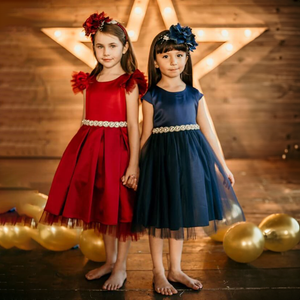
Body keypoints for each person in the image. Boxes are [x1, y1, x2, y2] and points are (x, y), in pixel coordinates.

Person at [132, 23, 245, 296]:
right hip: (159, 163)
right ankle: (158, 271)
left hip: (190, 162)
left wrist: (223, 166)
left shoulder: (194, 95)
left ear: (187, 57)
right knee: (159, 217)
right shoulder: (151, 96)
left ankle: (176, 269)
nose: (174, 61)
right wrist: (134, 166)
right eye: (166, 56)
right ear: (155, 61)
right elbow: (144, 134)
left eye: (180, 55)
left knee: (179, 215)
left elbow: (209, 132)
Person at [39, 12, 147, 290]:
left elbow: (134, 127)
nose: (106, 52)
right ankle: (109, 261)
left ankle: (121, 267)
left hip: (117, 152)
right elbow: (85, 121)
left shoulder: (129, 82)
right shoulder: (88, 80)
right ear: (93, 47)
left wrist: (133, 165)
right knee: (103, 208)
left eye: (112, 46)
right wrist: (79, 159)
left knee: (121, 210)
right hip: (90, 150)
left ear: (124, 47)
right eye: (100, 46)